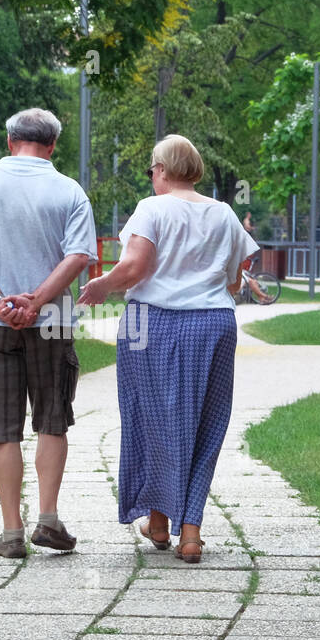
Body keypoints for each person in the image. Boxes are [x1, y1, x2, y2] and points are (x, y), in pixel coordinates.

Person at [77, 134, 258, 563]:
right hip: (213, 323)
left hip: (149, 321)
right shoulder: (224, 213)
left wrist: (102, 284)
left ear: (161, 170)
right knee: (204, 424)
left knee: (149, 416)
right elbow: (235, 279)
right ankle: (185, 531)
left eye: (151, 169)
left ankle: (160, 521)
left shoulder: (151, 208)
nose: (151, 176)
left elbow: (136, 266)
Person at [0, 108, 96, 559]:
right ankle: (47, 519)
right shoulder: (70, 192)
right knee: (52, 418)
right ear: (52, 146)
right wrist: (38, 301)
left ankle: (11, 531)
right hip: (51, 321)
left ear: (9, 140)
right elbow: (79, 257)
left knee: (2, 429)